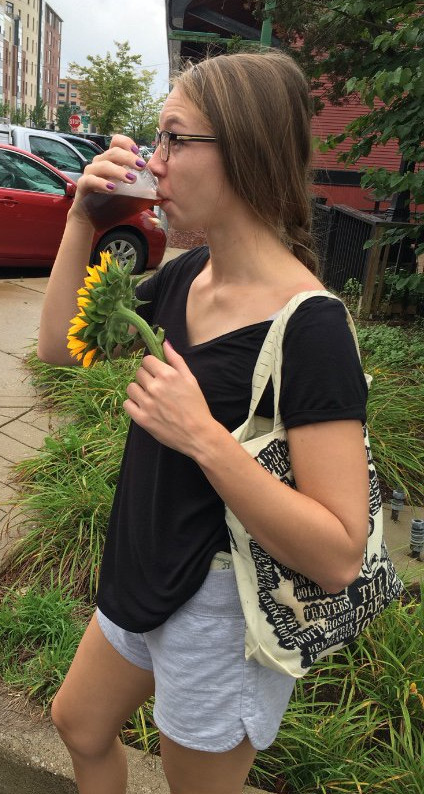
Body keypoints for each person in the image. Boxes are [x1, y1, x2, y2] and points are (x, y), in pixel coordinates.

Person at [37, 50, 369, 794]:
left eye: (172, 140)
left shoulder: (310, 326)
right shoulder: (190, 274)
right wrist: (80, 220)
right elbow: (60, 347)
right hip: (144, 566)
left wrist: (202, 438)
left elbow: (340, 553)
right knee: (79, 724)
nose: (152, 166)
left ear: (244, 151)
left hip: (221, 610)